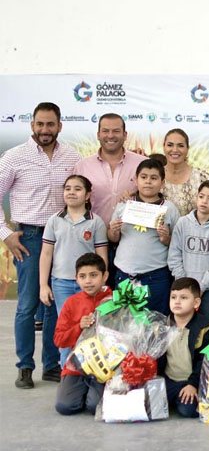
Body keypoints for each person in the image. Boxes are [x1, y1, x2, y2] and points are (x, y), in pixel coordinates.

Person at [1, 102, 81, 388]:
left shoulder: (72, 156)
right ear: (32, 125)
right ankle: (24, 366)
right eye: (39, 124)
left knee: (54, 306)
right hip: (30, 239)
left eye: (50, 124)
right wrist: (5, 233)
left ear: (59, 125)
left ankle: (52, 365)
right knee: (27, 305)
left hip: (64, 238)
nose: (44, 130)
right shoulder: (14, 157)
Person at [39, 175, 109, 364]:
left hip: (91, 285)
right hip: (62, 283)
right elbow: (46, 254)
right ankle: (67, 368)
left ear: (87, 195)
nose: (71, 192)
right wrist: (43, 285)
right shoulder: (54, 220)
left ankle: (91, 367)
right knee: (67, 326)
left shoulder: (96, 222)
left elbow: (102, 255)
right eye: (68, 188)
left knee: (92, 325)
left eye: (77, 189)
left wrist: (101, 281)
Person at [72, 113, 146, 288]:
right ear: (98, 134)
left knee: (129, 306)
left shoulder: (142, 164)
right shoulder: (82, 166)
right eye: (105, 131)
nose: (110, 135)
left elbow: (154, 199)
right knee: (97, 302)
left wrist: (135, 197)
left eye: (116, 131)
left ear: (125, 135)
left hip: (131, 246)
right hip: (92, 245)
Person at [108, 159, 180, 315]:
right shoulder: (124, 205)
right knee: (124, 323)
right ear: (136, 180)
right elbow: (114, 239)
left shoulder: (170, 209)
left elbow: (176, 245)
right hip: (124, 273)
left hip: (155, 276)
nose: (148, 182)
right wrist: (113, 231)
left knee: (155, 324)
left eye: (154, 178)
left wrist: (166, 238)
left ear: (162, 182)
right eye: (144, 177)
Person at [53, 253, 112, 415]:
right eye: (82, 276)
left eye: (93, 275)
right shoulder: (71, 303)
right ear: (76, 278)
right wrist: (79, 326)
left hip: (106, 367)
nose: (88, 281)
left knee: (96, 407)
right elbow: (59, 340)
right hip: (77, 366)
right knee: (65, 406)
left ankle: (93, 392)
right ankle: (83, 388)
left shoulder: (114, 301)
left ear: (104, 276)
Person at [167, 180, 209, 321]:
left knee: (204, 327)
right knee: (179, 324)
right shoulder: (183, 223)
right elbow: (174, 255)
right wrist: (184, 282)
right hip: (182, 285)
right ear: (196, 197)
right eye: (201, 196)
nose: (204, 201)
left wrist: (201, 287)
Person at [158, 277, 209, 418]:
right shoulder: (163, 326)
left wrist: (193, 384)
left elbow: (204, 361)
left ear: (196, 302)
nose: (177, 301)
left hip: (192, 382)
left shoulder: (205, 328)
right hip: (168, 381)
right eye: (173, 297)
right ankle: (174, 397)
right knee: (148, 403)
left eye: (183, 297)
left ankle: (178, 399)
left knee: (187, 410)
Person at [161, 129, 209, 216]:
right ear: (164, 147)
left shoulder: (202, 177)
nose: (175, 150)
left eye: (180, 146)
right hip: (161, 229)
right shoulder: (155, 176)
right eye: (170, 145)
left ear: (187, 148)